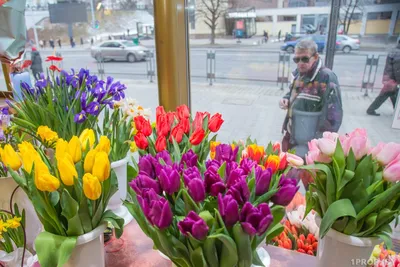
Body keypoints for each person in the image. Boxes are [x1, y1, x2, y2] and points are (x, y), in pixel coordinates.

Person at [279, 39, 343, 153]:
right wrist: (286, 98)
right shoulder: (298, 73)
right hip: (293, 136)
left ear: (316, 57)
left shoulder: (326, 77)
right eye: (296, 59)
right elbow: (295, 92)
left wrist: (319, 145)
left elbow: (334, 117)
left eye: (304, 59)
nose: (300, 63)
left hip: (309, 144)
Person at [367, 37, 400, 116]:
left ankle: (396, 112)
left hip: (389, 78)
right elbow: (397, 70)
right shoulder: (398, 53)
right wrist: (398, 81)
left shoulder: (394, 51)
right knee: (387, 94)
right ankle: (371, 110)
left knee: (392, 94)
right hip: (393, 80)